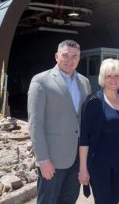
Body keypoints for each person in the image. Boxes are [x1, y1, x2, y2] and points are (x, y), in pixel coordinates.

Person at [28, 40, 91, 204]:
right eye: (65, 55)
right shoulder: (41, 81)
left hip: (77, 158)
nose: (69, 60)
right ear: (56, 57)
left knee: (69, 200)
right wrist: (42, 159)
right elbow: (35, 124)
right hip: (53, 160)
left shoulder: (84, 82)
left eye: (74, 56)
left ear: (79, 58)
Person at [79, 58, 119, 204]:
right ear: (103, 78)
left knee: (114, 200)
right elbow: (84, 138)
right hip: (99, 165)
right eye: (109, 75)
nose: (113, 79)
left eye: (117, 75)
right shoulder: (94, 101)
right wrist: (83, 168)